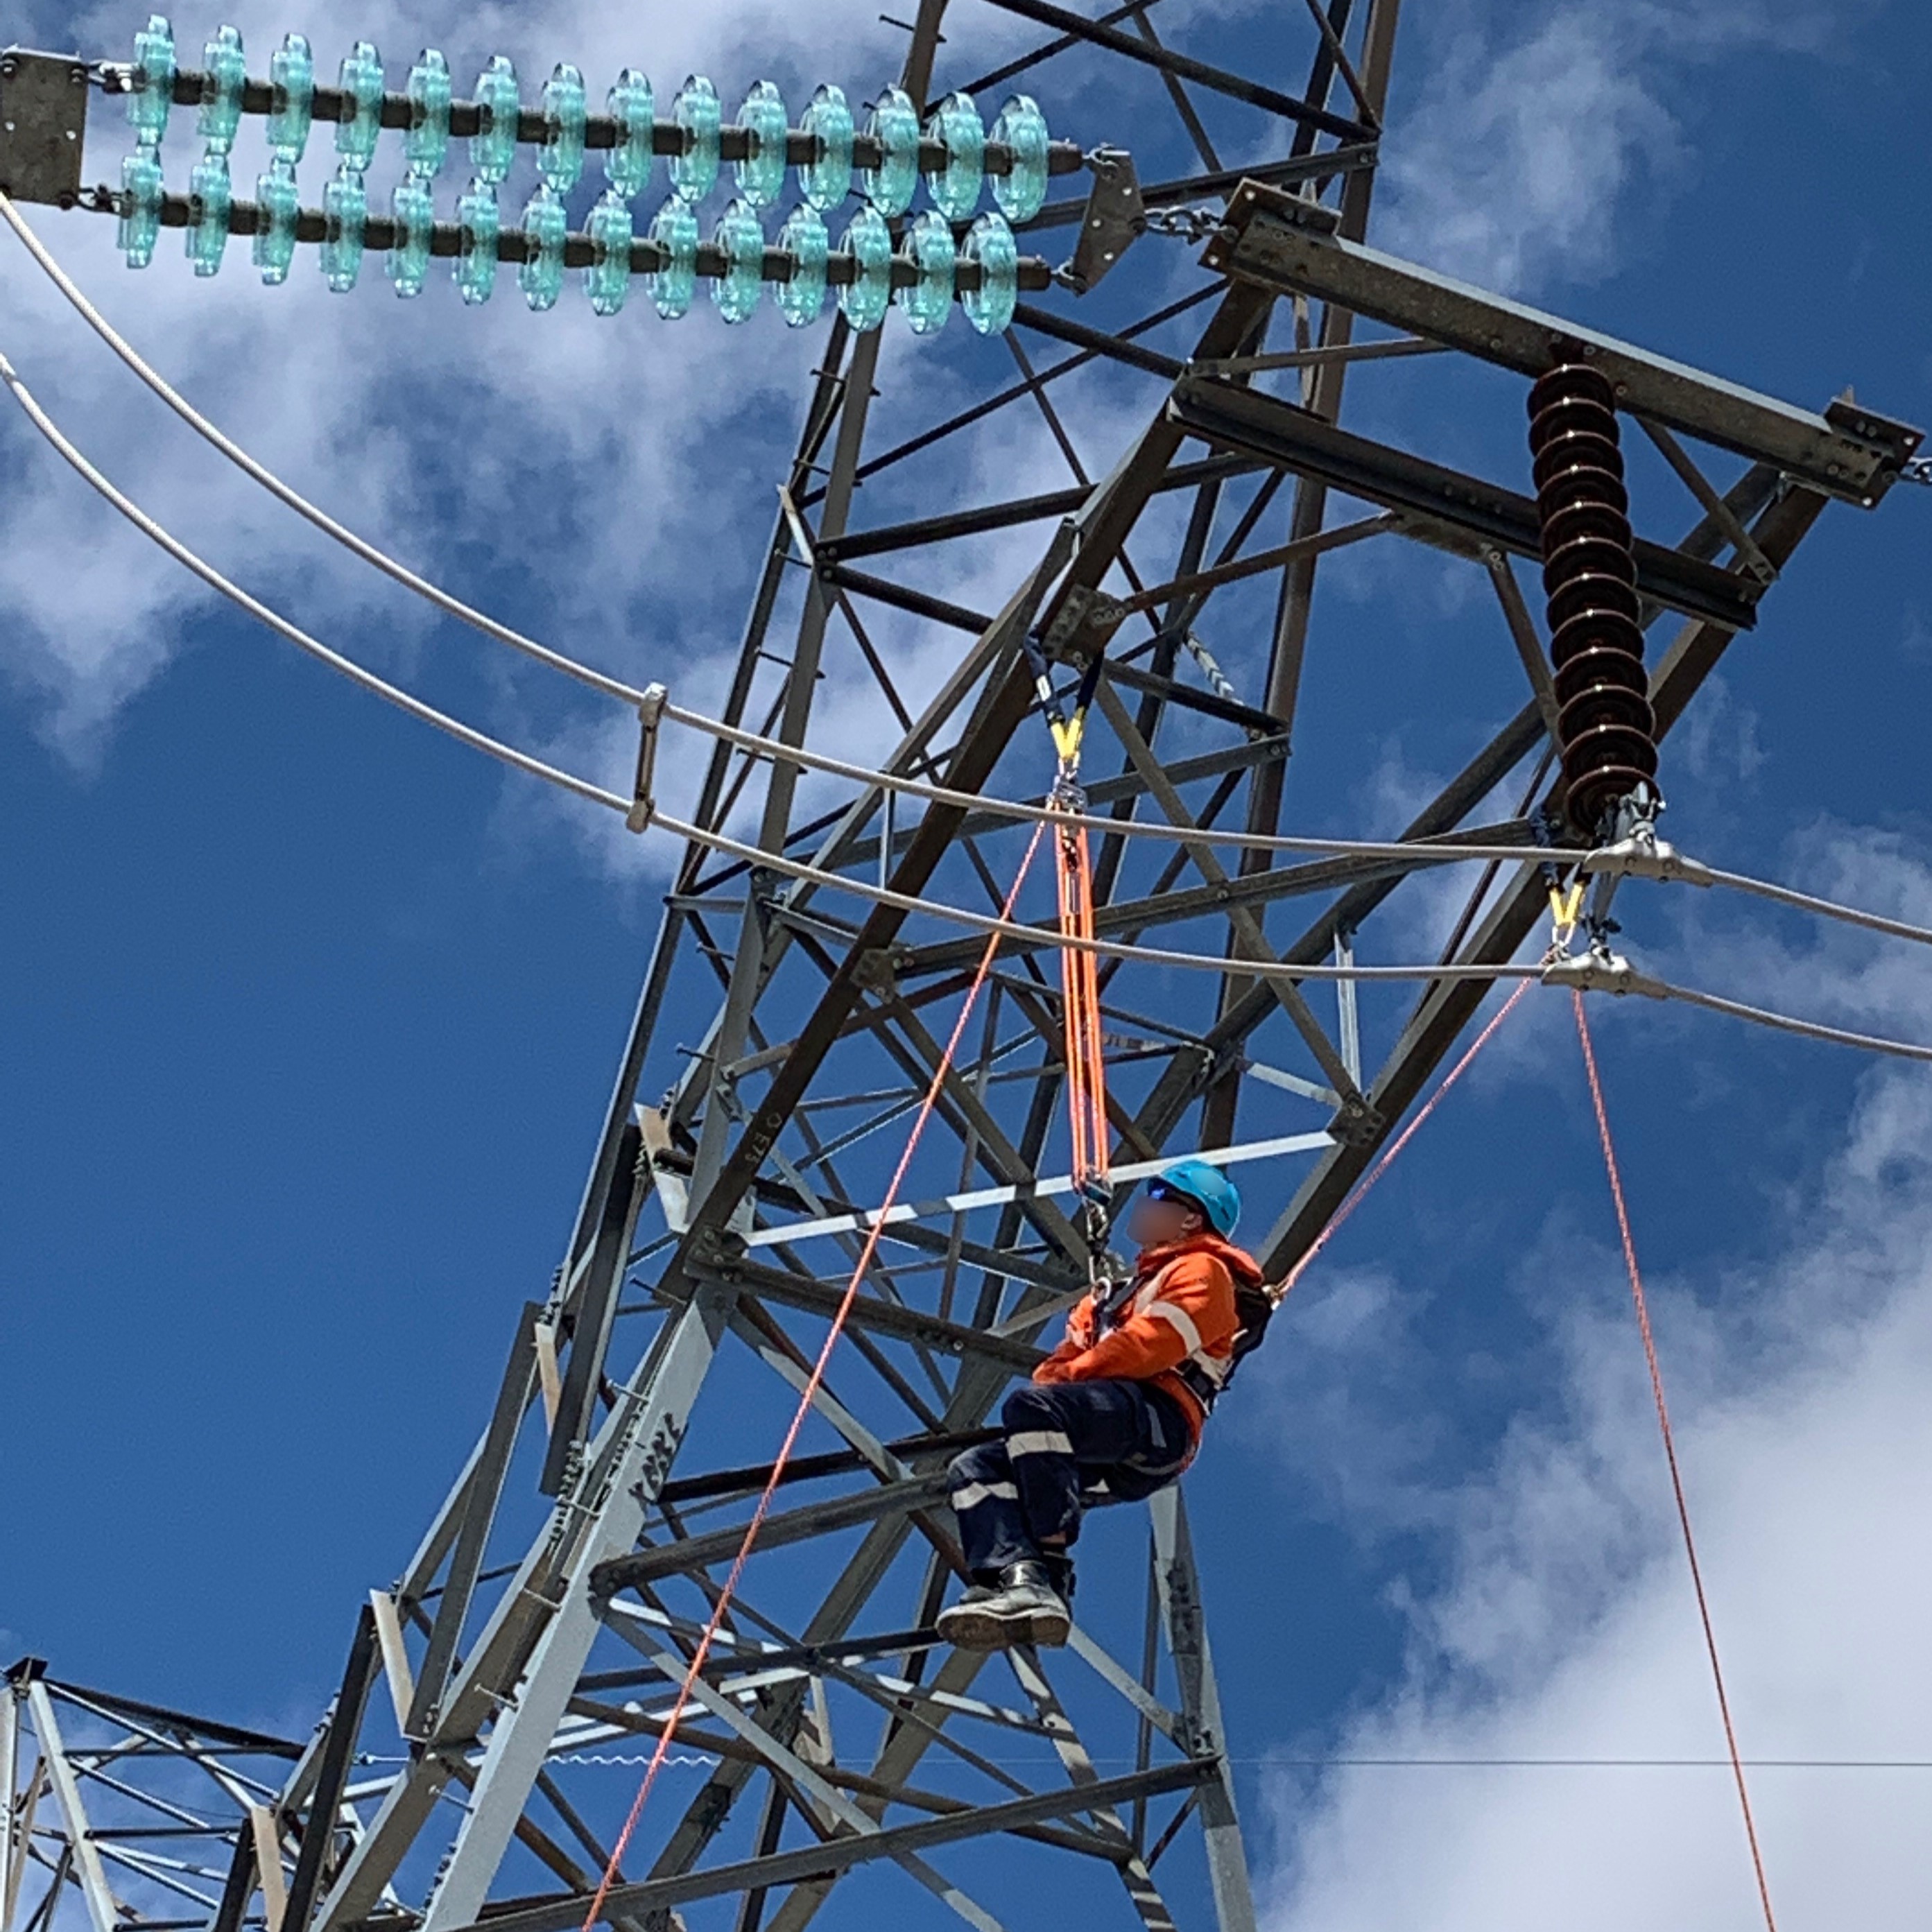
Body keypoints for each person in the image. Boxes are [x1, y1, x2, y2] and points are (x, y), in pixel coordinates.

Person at [937, 1157, 1266, 1649]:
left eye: (1157, 1198)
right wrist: (1069, 1369)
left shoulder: (1204, 1272)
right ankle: (1018, 1578)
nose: (1143, 1206)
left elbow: (1153, 1344)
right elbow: (1064, 1363)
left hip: (1158, 1423)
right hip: (1111, 1423)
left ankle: (1048, 1564)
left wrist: (1069, 1378)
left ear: (1190, 1218)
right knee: (975, 1467)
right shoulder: (1117, 1295)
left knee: (1036, 1410)